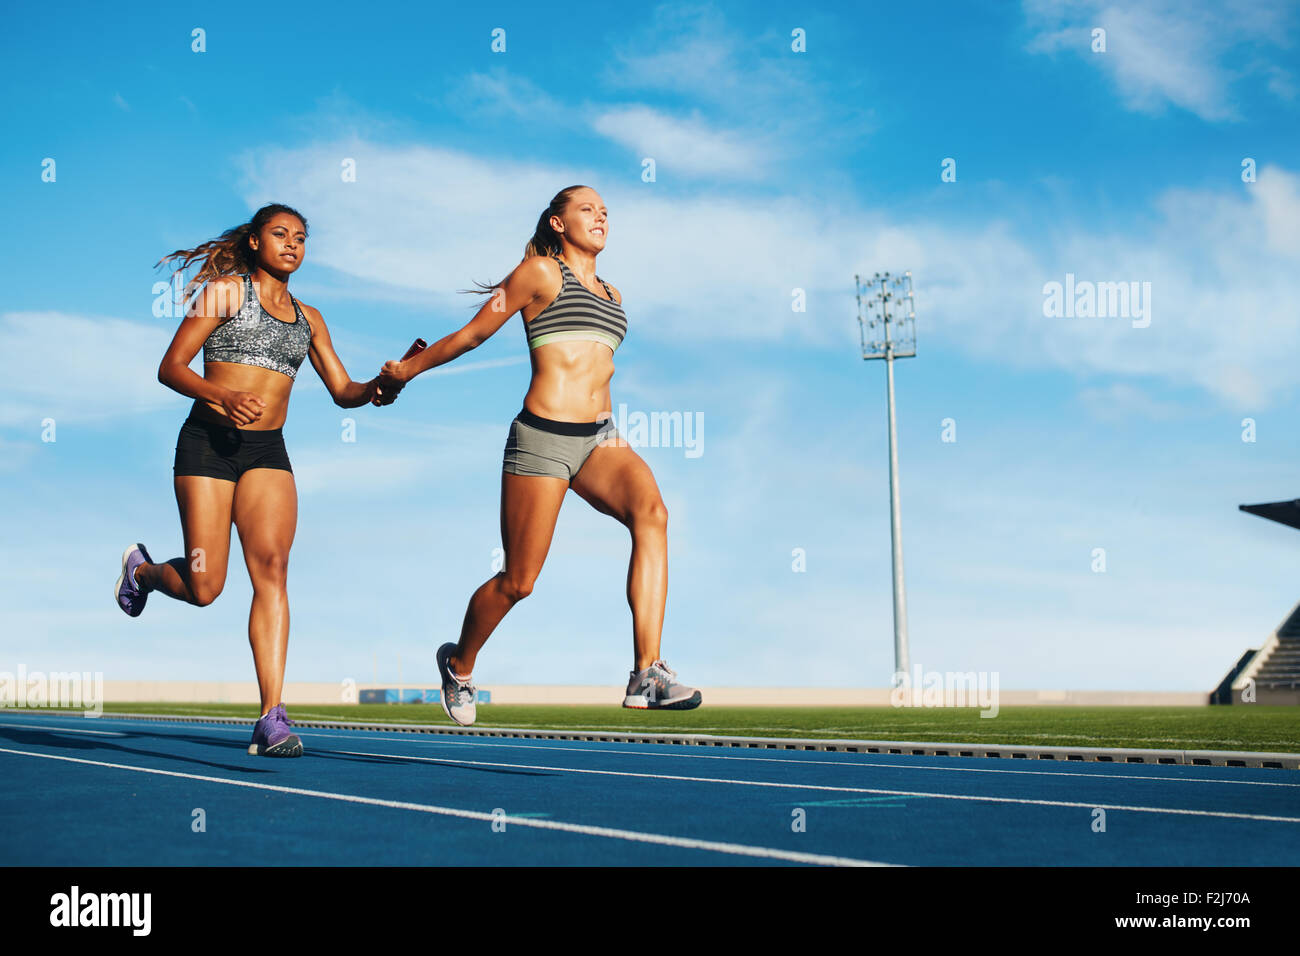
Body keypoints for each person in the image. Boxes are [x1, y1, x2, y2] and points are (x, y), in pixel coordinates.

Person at [379, 185, 700, 726]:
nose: (600, 216)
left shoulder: (613, 295)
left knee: (654, 515)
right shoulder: (539, 274)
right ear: (557, 222)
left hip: (600, 439)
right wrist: (405, 372)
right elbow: (473, 334)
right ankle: (459, 663)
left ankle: (647, 669)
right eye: (586, 209)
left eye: (605, 211)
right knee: (519, 581)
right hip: (542, 438)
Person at [114, 203, 398, 756]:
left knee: (272, 570)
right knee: (206, 588)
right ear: (253, 241)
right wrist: (222, 395)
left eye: (301, 238)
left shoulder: (309, 317)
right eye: (280, 234)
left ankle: (272, 717)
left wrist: (379, 387)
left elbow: (343, 391)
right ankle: (142, 571)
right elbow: (170, 367)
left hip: (267, 452)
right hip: (207, 446)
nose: (292, 244)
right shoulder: (224, 292)